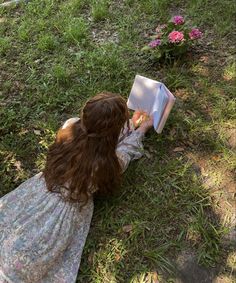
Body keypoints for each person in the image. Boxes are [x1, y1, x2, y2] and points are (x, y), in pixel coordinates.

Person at [0, 92, 153, 282]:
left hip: (44, 187)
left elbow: (99, 136)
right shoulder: (106, 164)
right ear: (114, 132)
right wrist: (140, 130)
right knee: (33, 250)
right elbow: (125, 150)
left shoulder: (69, 126)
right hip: (64, 210)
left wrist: (130, 124)